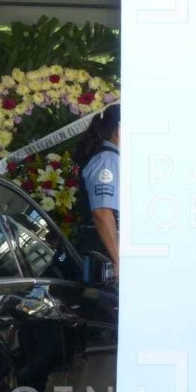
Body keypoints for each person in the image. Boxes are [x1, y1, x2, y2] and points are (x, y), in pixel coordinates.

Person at [74, 104, 120, 276]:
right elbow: (102, 212)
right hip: (103, 256)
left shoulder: (110, 158)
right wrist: (118, 260)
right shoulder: (107, 160)